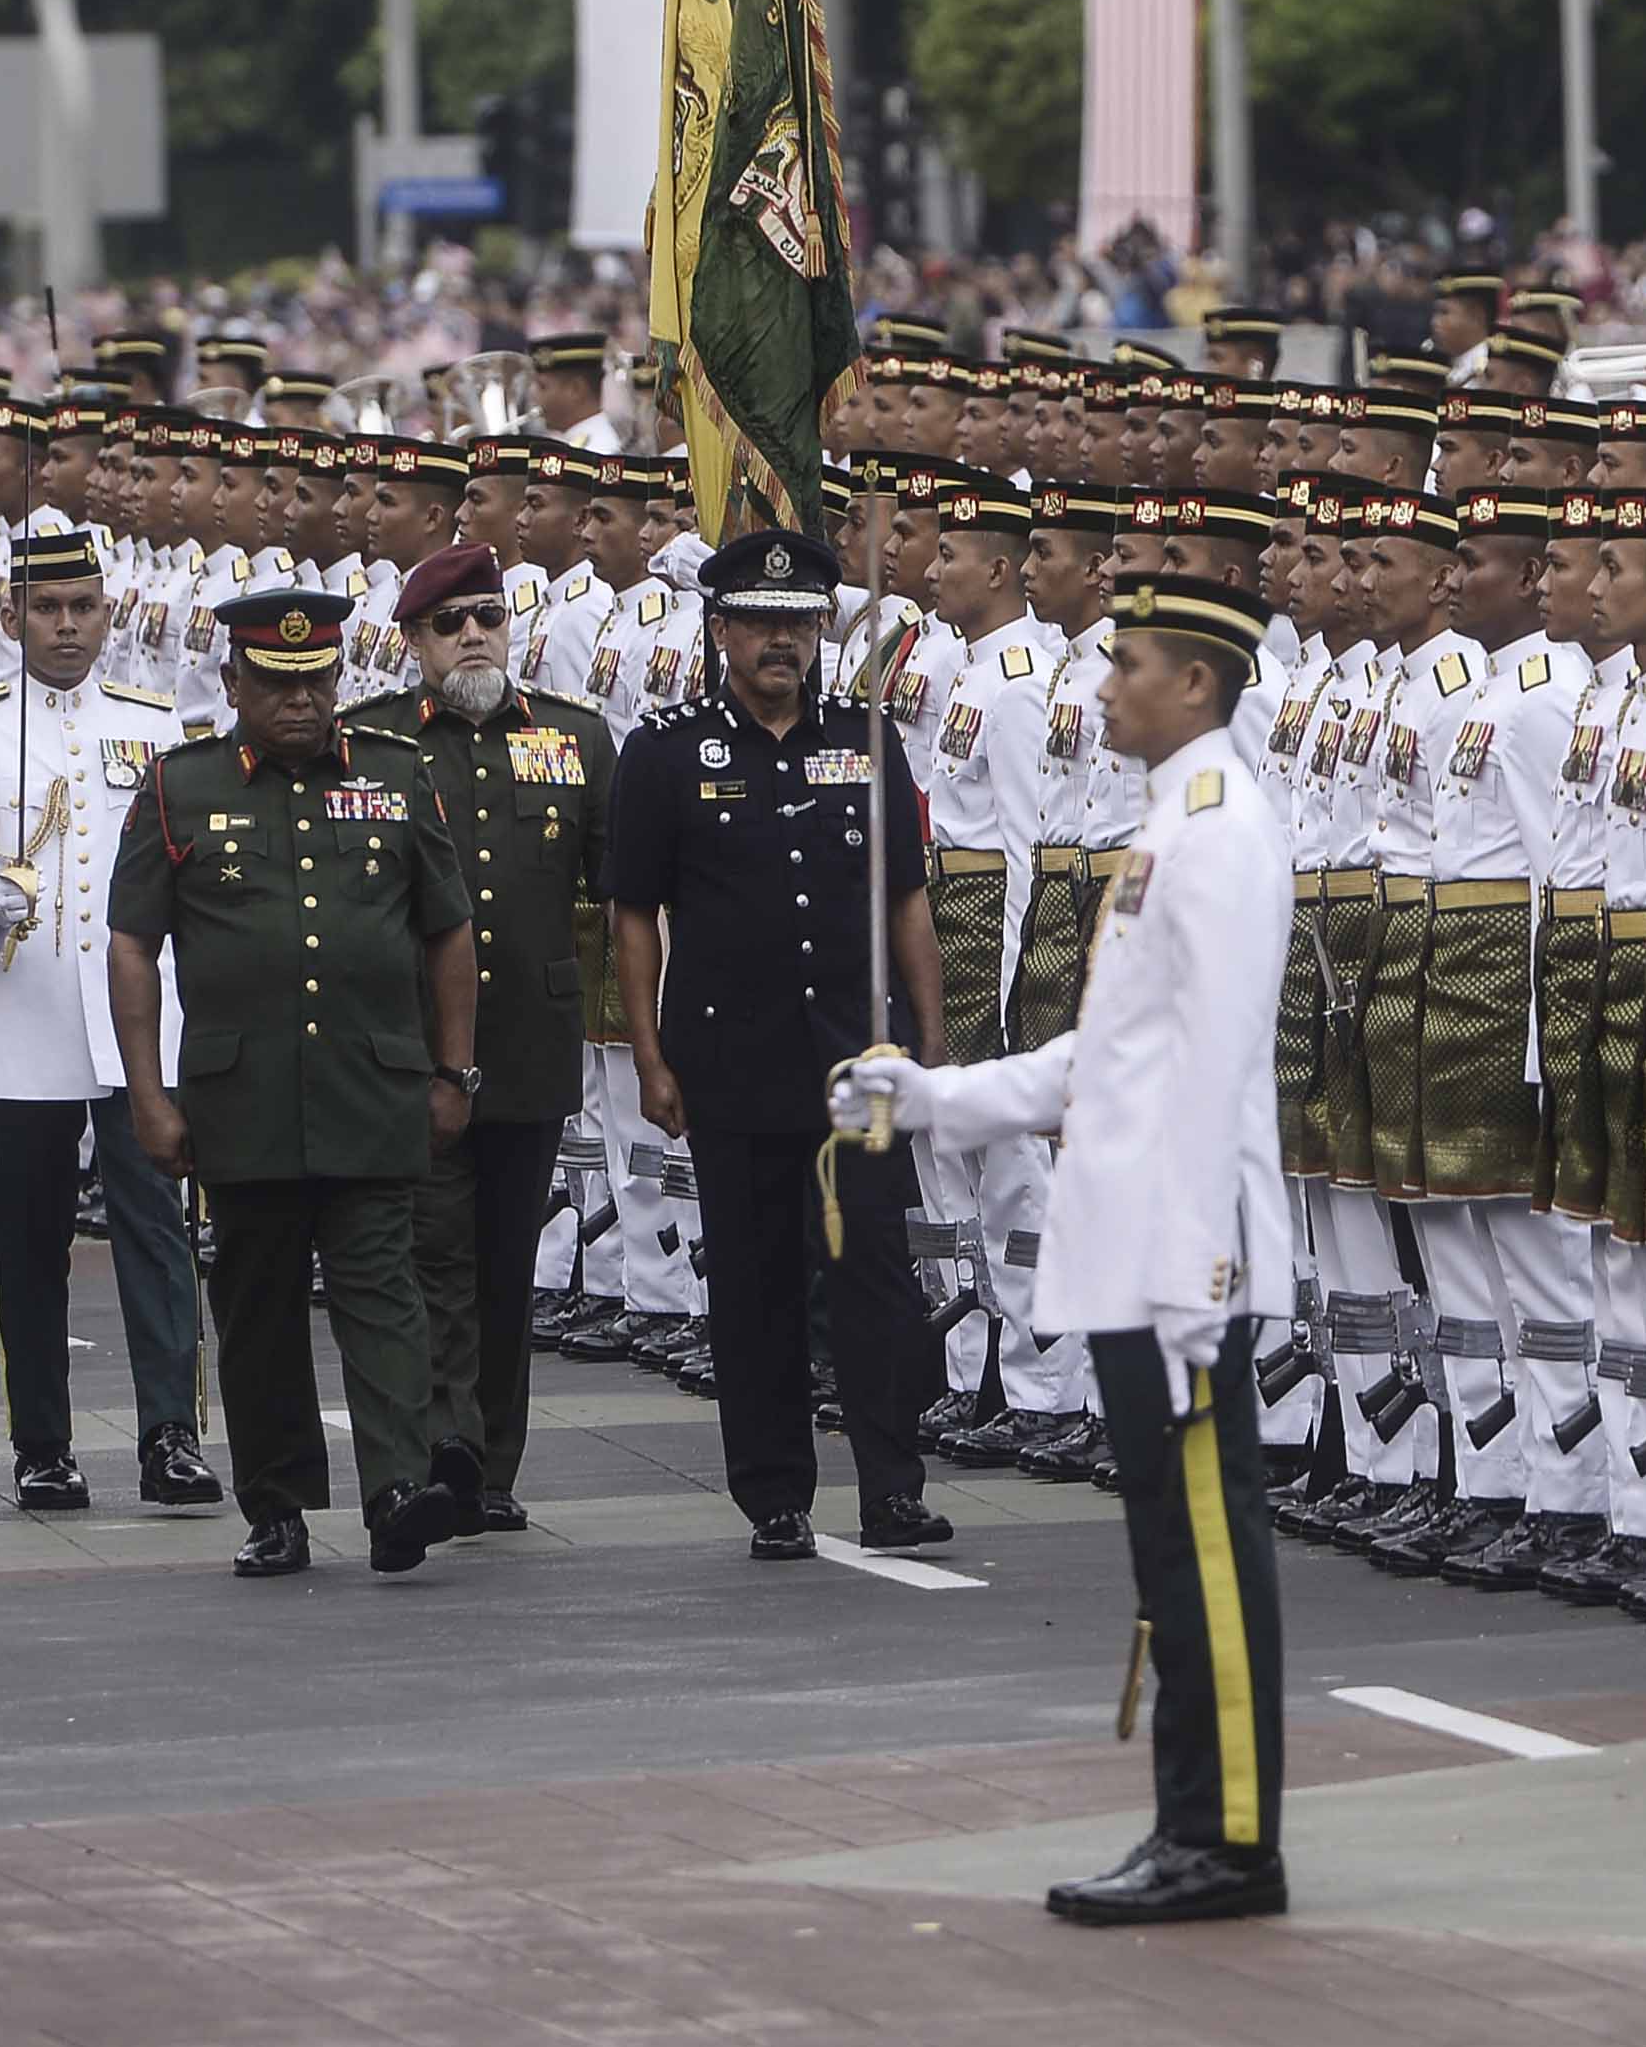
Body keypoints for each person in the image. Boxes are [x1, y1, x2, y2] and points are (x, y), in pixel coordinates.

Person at [841, 571, 1302, 1925]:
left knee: (1206, 1554)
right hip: (1143, 1258)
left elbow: (1212, 1075)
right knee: (1169, 1552)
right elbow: (1106, 1056)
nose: (1103, 686)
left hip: (1177, 1269)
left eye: (1131, 664)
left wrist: (1192, 1277)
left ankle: (1226, 1839)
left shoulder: (1219, 831)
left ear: (1197, 684)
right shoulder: (1172, 819)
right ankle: (1189, 1818)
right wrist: (931, 1095)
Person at [106, 583, 481, 1581]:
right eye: (277, 684)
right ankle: (275, 1505)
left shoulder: (397, 777)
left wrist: (455, 1070)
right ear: (232, 682)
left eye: (316, 680)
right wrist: (146, 1091)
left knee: (383, 1292)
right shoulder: (180, 787)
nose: (302, 702)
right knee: (258, 1304)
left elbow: (448, 930)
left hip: (372, 1083)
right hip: (243, 1096)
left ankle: (398, 1487)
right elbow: (134, 946)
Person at [602, 520, 953, 1562]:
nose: (781, 641)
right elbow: (631, 913)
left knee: (874, 1278)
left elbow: (906, 899)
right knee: (754, 1286)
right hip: (731, 1056)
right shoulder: (664, 750)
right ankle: (774, 1495)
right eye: (760, 620)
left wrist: (928, 1040)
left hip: (854, 1057)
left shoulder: (865, 736)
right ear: (719, 628)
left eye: (800, 622)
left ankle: (893, 1484)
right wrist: (651, 1056)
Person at [0, 519, 215, 1519]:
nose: (66, 625)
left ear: (109, 610)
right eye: (45, 607)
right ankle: (41, 1444)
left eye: (83, 605)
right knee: (31, 1234)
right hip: (29, 1006)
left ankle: (171, 1432)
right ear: (11, 616)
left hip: (137, 1020)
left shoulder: (154, 718)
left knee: (157, 1226)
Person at [365, 541, 610, 1535]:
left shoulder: (576, 736)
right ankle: (446, 1445)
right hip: (415, 1043)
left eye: (489, 617)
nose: (474, 635)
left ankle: (493, 1461)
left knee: (510, 1260)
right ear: (412, 639)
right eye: (449, 622)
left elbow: (618, 884)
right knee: (435, 1250)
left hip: (530, 1038)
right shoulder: (372, 741)